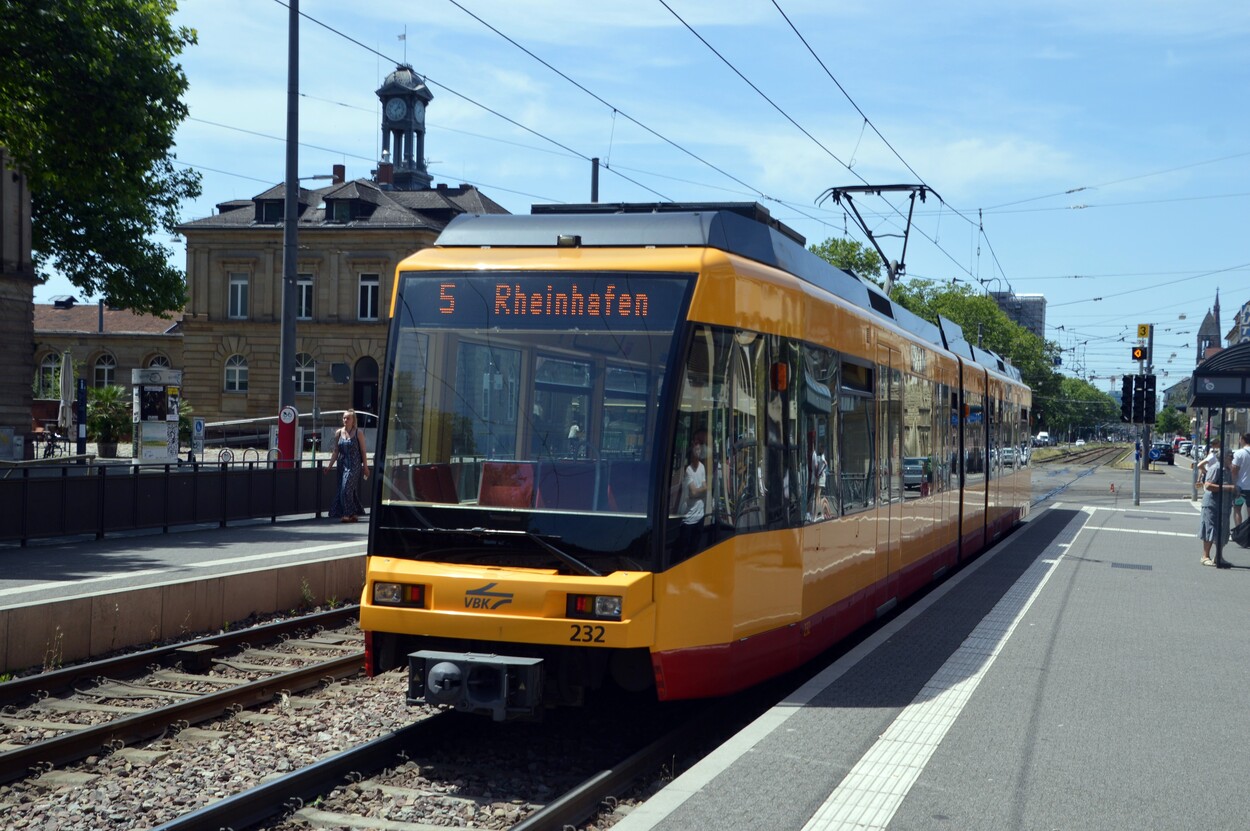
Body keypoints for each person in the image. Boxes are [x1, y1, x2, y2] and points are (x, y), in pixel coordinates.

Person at [325, 409, 369, 523]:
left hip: (354, 465)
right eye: (344, 418)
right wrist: (329, 466)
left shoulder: (358, 433)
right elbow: (336, 451)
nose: (345, 420)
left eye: (348, 418)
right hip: (342, 465)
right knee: (346, 489)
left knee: (346, 488)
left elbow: (363, 451)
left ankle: (347, 514)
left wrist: (366, 467)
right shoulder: (339, 432)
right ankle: (353, 513)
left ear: (353, 420)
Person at [1199, 447, 1235, 565]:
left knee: (1222, 530)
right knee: (1211, 528)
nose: (1233, 458)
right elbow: (1208, 485)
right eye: (1230, 456)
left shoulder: (1227, 470)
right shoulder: (1216, 468)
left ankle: (1218, 557)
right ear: (1224, 457)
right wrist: (1228, 488)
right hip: (1212, 504)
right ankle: (1205, 556)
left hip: (1224, 505)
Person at [679, 437, 708, 553]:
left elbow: (704, 489)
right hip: (689, 518)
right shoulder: (688, 470)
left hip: (700, 516)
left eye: (699, 450)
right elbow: (694, 491)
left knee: (695, 551)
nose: (698, 452)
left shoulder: (702, 467)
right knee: (686, 551)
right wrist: (699, 491)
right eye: (696, 450)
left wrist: (697, 491)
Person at [1231, 433, 1250, 526]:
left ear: (1243, 440)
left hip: (1240, 487)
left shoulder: (1239, 453)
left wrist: (1233, 485)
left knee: (1237, 509)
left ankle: (1239, 533)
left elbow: (1234, 470)